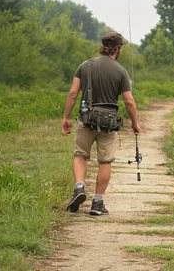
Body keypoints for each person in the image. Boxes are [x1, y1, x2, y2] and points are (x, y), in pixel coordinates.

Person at [62, 32, 141, 216]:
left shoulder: (84, 66)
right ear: (118, 48)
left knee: (80, 155)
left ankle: (79, 187)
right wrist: (135, 124)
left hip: (86, 119)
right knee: (105, 161)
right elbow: (129, 102)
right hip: (109, 123)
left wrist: (65, 117)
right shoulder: (121, 71)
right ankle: (97, 203)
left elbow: (73, 93)